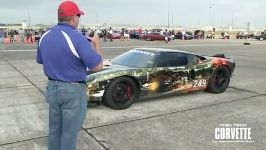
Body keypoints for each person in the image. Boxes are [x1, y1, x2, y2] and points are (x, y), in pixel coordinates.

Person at [36, 1, 103, 150]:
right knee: (69, 134)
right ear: (74, 17)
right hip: (72, 90)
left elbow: (41, 60)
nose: (79, 19)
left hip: (52, 88)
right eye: (79, 16)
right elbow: (97, 66)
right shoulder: (77, 38)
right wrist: (96, 44)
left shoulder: (45, 36)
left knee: (54, 131)